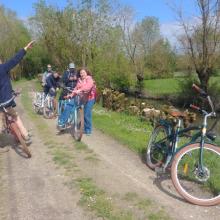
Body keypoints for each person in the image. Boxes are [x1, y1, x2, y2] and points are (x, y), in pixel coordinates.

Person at [0, 41, 35, 143]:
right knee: (15, 117)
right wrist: (25, 48)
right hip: (6, 100)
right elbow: (15, 59)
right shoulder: (2, 67)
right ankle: (26, 135)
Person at [58, 68, 96, 135]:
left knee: (87, 114)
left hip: (90, 99)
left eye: (83, 72)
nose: (82, 74)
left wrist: (81, 90)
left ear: (87, 73)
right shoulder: (79, 80)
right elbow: (76, 89)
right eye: (81, 73)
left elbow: (88, 87)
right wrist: (71, 95)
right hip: (81, 97)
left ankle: (88, 130)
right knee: (70, 104)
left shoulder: (89, 79)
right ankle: (62, 121)